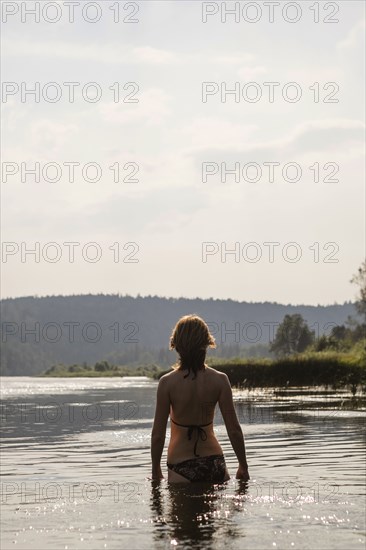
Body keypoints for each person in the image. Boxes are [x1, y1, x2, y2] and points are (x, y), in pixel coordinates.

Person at [150, 314, 250, 483]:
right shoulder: (220, 380)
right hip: (215, 463)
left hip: (180, 465)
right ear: (206, 343)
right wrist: (243, 466)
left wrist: (155, 471)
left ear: (176, 345)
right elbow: (234, 430)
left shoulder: (166, 383)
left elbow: (158, 435)